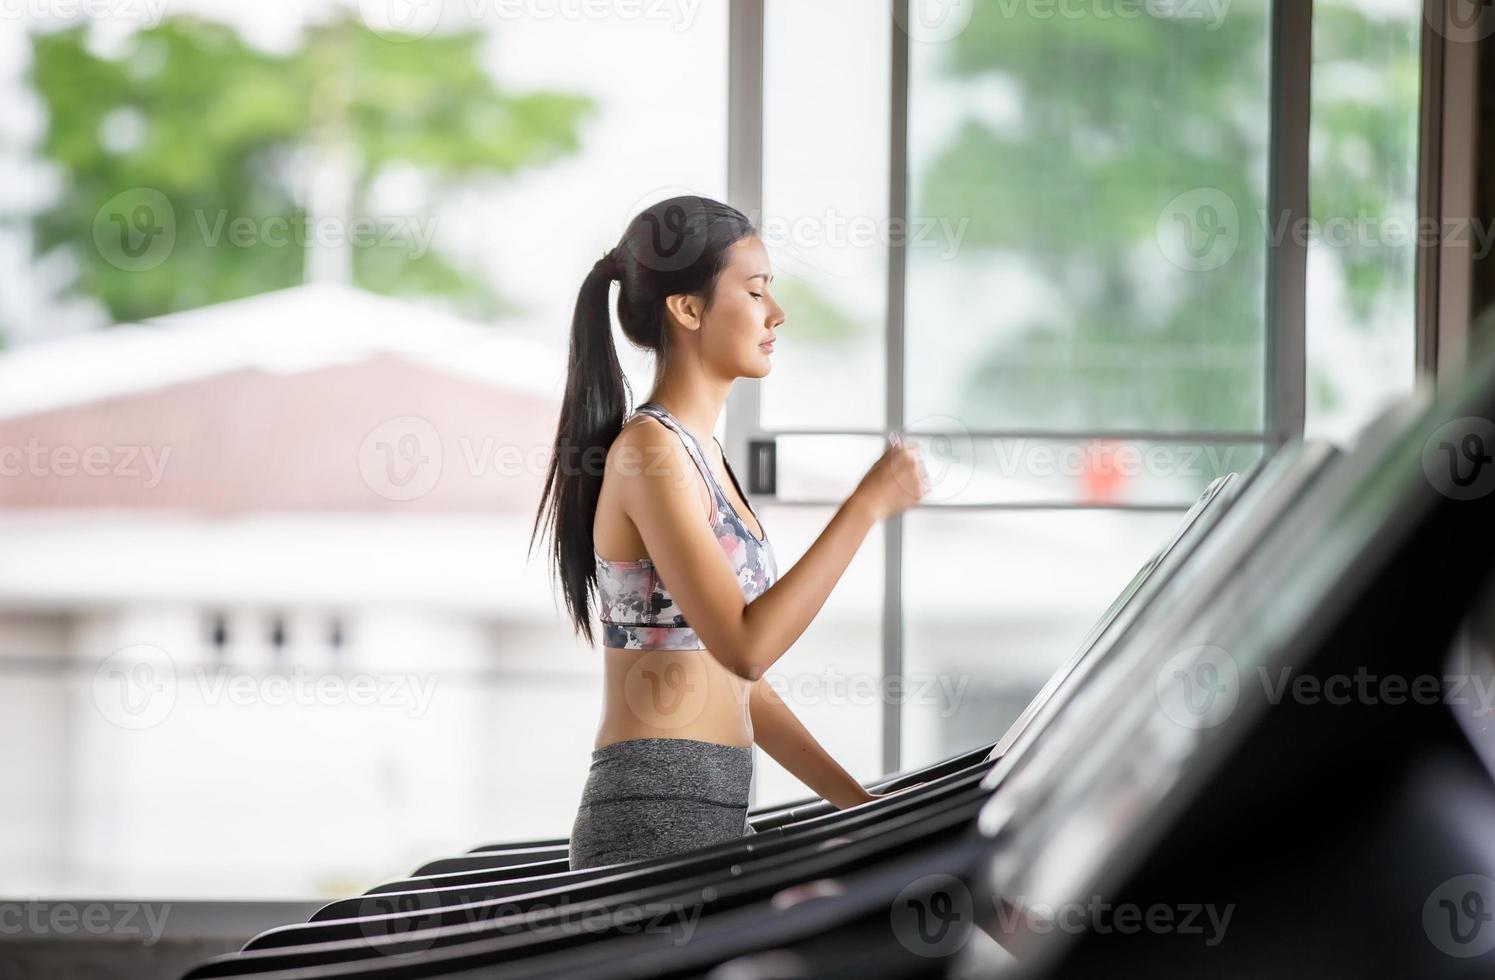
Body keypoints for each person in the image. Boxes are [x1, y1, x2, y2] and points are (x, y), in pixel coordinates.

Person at [530, 194, 929, 871]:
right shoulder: (650, 453)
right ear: (686, 309)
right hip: (653, 821)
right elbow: (746, 647)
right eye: (754, 290)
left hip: (707, 812)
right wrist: (863, 507)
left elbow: (740, 683)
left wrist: (862, 810)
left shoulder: (698, 454)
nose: (776, 314)